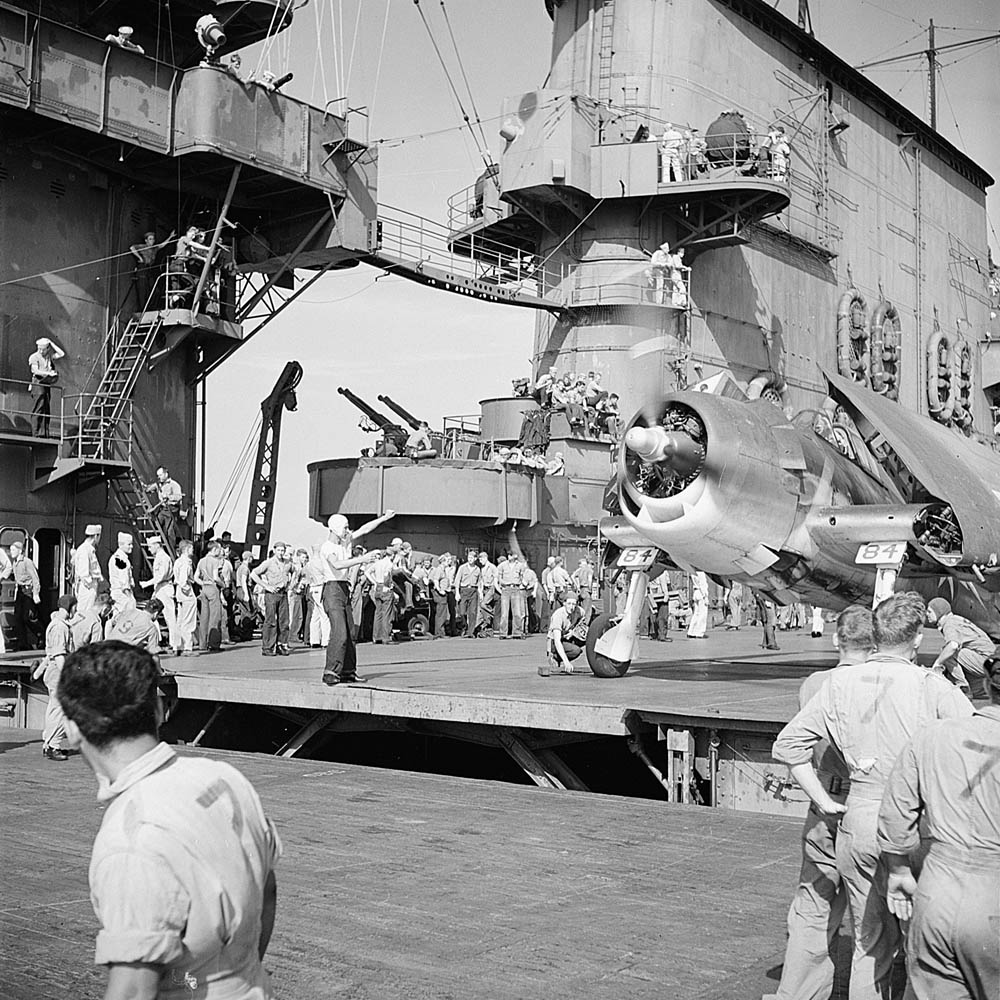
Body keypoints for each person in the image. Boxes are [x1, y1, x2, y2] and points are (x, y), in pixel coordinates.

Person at [772, 592, 973, 1000]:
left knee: (870, 942)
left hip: (856, 817)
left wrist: (826, 802)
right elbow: (975, 742)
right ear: (916, 640)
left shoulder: (837, 683)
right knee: (924, 944)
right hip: (913, 821)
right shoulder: (929, 685)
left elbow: (788, 746)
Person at [57, 641, 281, 1000]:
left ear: (71, 730)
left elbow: (132, 990)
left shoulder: (130, 839)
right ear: (160, 709)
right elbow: (267, 888)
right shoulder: (225, 778)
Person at [877, 656, 1000, 1000]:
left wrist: (898, 870)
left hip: (936, 893)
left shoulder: (931, 735)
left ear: (988, 686)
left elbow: (895, 812)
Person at [770, 606, 874, 1000]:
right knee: (870, 921)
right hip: (867, 803)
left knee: (813, 909)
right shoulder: (880, 684)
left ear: (836, 640)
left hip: (824, 801)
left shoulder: (813, 683)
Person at [320, 510, 394, 685]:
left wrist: (383, 518)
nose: (347, 530)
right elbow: (337, 565)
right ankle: (330, 672)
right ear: (335, 528)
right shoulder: (327, 548)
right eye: (345, 527)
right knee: (340, 633)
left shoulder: (345, 542)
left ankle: (348, 672)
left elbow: (364, 529)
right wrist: (362, 559)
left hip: (344, 588)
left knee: (350, 634)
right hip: (332, 589)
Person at [31, 594, 76, 761]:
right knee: (61, 711)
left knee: (54, 709)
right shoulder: (60, 627)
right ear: (71, 607)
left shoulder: (56, 624)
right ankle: (53, 745)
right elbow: (58, 655)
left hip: (52, 672)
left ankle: (48, 742)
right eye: (74, 607)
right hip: (58, 673)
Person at [925, 596, 994, 698]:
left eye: (930, 611)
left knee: (948, 652)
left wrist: (936, 664)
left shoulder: (950, 624)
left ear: (939, 612)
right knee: (949, 652)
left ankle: (963, 688)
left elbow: (953, 646)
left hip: (988, 662)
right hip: (991, 661)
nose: (927, 614)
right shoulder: (955, 620)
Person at [250, 542, 292, 656]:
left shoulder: (288, 563)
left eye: (283, 550)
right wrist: (266, 586)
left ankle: (281, 644)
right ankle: (267, 647)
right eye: (279, 550)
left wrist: (291, 584)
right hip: (271, 594)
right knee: (270, 620)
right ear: (274, 550)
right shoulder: (268, 563)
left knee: (284, 621)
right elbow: (253, 574)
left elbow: (295, 572)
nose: (281, 553)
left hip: (283, 594)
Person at [140, 535, 176, 653]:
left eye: (150, 547)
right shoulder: (159, 557)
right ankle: (156, 641)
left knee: (169, 616)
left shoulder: (164, 558)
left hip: (165, 588)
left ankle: (174, 644)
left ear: (157, 545)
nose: (149, 549)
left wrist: (146, 584)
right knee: (151, 614)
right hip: (159, 589)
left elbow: (161, 576)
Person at [28, 336, 65, 437]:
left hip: (46, 384)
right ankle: (35, 433)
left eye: (43, 349)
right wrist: (49, 374)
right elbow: (35, 370)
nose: (40, 351)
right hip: (37, 383)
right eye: (39, 348)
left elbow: (61, 354)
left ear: (47, 349)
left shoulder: (48, 356)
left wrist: (51, 342)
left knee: (46, 408)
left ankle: (44, 433)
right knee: (38, 407)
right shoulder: (34, 357)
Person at [543, 591, 584, 676]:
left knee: (586, 637)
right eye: (569, 604)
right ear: (564, 603)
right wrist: (566, 662)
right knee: (576, 650)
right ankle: (555, 657)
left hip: (567, 637)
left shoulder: (579, 611)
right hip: (554, 642)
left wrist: (574, 632)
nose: (571, 607)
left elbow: (584, 621)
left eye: (574, 604)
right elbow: (557, 641)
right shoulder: (558, 615)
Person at [9, 540, 41, 650]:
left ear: (20, 551)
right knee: (18, 618)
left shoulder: (27, 562)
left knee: (28, 618)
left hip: (28, 591)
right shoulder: (15, 563)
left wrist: (36, 594)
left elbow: (35, 578)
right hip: (20, 592)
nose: (11, 552)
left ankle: (41, 634)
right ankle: (23, 644)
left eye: (13, 550)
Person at [194, 539, 224, 652]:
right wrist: (223, 584)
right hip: (213, 588)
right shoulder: (215, 561)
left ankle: (202, 644)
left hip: (204, 589)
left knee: (204, 617)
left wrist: (203, 583)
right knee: (215, 617)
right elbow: (216, 577)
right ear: (215, 549)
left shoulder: (201, 561)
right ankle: (214, 643)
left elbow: (196, 577)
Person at [364, 544, 397, 644]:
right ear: (392, 555)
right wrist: (387, 586)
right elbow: (387, 576)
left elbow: (367, 572)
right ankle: (385, 637)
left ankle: (376, 636)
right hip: (385, 587)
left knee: (378, 613)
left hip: (377, 587)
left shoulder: (378, 563)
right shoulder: (389, 564)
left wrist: (374, 582)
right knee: (386, 613)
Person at [146, 467, 184, 550]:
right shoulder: (158, 484)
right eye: (158, 475)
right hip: (163, 509)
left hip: (172, 510)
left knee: (170, 532)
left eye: (160, 475)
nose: (159, 477)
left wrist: (169, 497)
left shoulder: (174, 485)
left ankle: (171, 551)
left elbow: (179, 497)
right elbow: (148, 489)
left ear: (166, 474)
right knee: (156, 524)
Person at [173, 539, 198, 655]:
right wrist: (188, 590)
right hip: (186, 592)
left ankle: (177, 645)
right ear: (187, 549)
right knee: (188, 621)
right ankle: (188, 647)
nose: (193, 550)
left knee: (180, 620)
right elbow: (183, 581)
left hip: (179, 593)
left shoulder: (178, 561)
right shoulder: (186, 563)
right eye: (191, 548)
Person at [74, 524, 104, 617]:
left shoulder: (90, 550)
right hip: (87, 588)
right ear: (96, 536)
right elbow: (84, 573)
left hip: (91, 586)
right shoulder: (84, 550)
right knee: (85, 613)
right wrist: (91, 586)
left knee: (89, 612)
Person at [497, 553, 526, 639]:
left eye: (511, 555)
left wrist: (519, 583)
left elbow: (522, 576)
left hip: (516, 589)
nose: (509, 556)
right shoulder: (502, 565)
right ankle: (503, 633)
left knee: (517, 612)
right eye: (508, 555)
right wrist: (502, 583)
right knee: (504, 613)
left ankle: (517, 632)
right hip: (506, 589)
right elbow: (499, 576)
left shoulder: (520, 566)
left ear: (515, 556)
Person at [454, 549, 481, 638]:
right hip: (464, 590)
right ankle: (464, 627)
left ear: (475, 559)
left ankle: (471, 632)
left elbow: (480, 582)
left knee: (473, 612)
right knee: (462, 612)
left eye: (472, 558)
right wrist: (457, 593)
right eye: (469, 557)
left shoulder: (477, 569)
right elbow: (457, 580)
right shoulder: (462, 568)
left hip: (473, 591)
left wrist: (480, 593)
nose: (470, 559)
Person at [108, 532, 136, 613]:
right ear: (121, 545)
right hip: (122, 594)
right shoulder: (120, 559)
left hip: (120, 594)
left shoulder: (122, 557)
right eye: (129, 544)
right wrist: (129, 598)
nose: (131, 547)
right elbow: (124, 582)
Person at [431, 554, 455, 638]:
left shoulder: (444, 569)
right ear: (443, 561)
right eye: (447, 561)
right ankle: (439, 633)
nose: (449, 562)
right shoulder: (439, 569)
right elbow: (436, 580)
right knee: (441, 614)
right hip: (441, 594)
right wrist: (440, 590)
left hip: (445, 592)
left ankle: (441, 632)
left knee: (443, 613)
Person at [475, 551, 498, 637]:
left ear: (485, 558)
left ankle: (492, 615)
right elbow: (481, 581)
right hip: (484, 588)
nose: (480, 561)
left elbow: (496, 579)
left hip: (491, 588)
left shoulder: (492, 567)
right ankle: (487, 625)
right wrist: (480, 592)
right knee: (483, 607)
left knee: (483, 604)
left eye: (481, 560)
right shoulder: (482, 568)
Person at [647, 574, 672, 641]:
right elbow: (663, 582)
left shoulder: (653, 572)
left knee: (654, 615)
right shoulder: (662, 572)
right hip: (661, 594)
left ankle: (655, 633)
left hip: (653, 594)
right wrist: (666, 594)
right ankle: (662, 635)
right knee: (663, 616)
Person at [571, 558, 595, 622]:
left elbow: (573, 576)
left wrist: (577, 585)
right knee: (587, 611)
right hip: (587, 590)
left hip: (581, 590)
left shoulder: (580, 570)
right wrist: (590, 589)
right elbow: (590, 580)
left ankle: (578, 622)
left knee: (581, 609)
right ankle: (584, 625)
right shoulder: (590, 570)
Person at [687, 571, 709, 638]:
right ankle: (699, 632)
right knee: (702, 614)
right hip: (701, 593)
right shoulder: (701, 573)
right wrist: (705, 596)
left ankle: (691, 631)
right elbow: (703, 585)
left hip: (696, 592)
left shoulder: (693, 573)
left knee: (696, 613)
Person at [521, 559, 539, 634]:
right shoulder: (519, 572)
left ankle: (532, 627)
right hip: (521, 592)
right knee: (524, 611)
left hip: (529, 591)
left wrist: (534, 591)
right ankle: (525, 628)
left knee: (531, 610)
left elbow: (535, 581)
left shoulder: (530, 572)